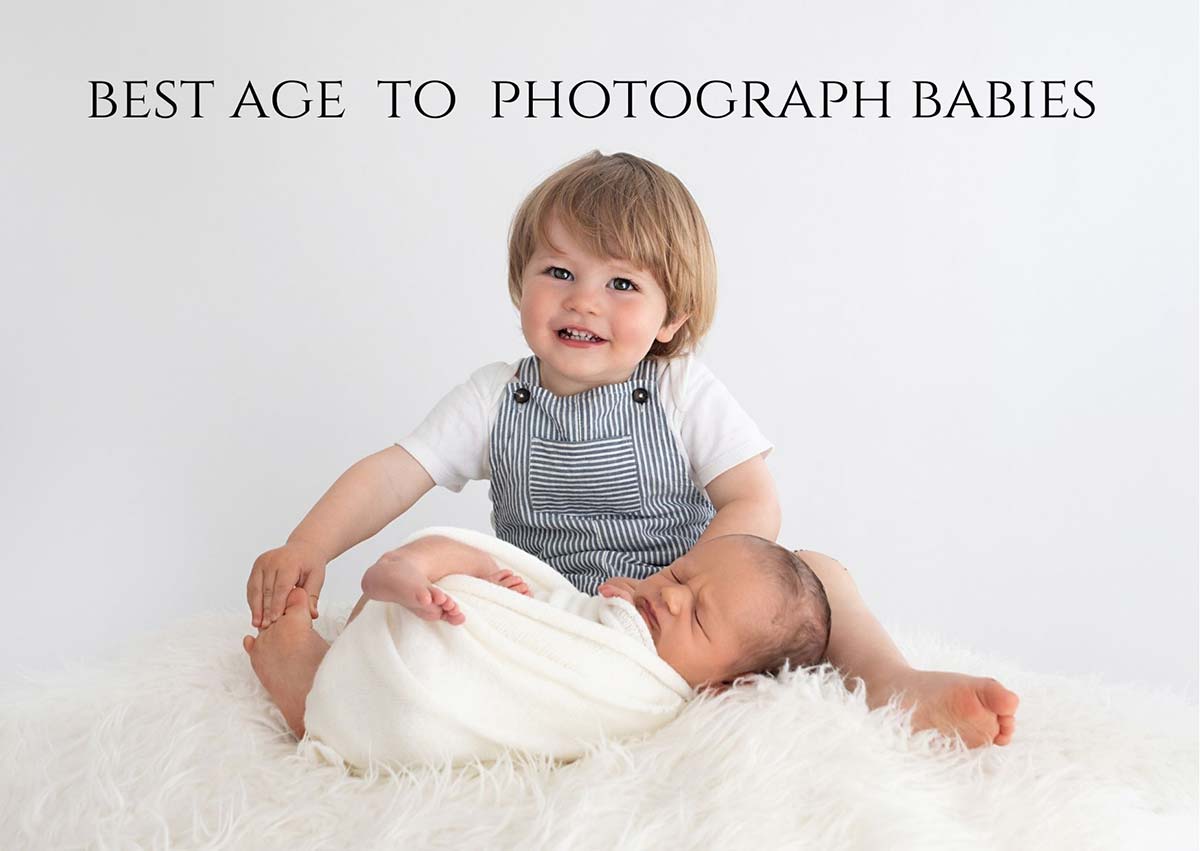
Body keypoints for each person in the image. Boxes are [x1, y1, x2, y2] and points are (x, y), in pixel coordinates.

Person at [246, 150, 1019, 747]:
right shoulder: (496, 396)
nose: (583, 298)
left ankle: (893, 683)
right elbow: (395, 472)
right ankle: (321, 689)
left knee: (818, 574)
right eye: (559, 271)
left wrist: (684, 581)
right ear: (521, 286)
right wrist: (310, 542)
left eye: (622, 284)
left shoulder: (680, 390)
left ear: (672, 317)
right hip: (543, 611)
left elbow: (754, 499)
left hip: (672, 622)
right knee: (434, 601)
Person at [242, 531, 833, 740]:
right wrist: (521, 596)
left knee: (370, 691)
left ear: (725, 687)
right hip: (473, 610)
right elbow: (568, 608)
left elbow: (546, 693)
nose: (671, 595)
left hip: (438, 674)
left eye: (699, 616)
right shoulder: (630, 605)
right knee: (470, 553)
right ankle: (408, 566)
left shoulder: (648, 693)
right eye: (679, 573)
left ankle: (315, 681)